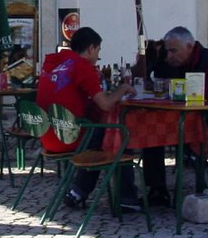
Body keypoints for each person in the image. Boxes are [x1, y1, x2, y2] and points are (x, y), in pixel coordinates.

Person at [34, 27, 139, 212]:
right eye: (98, 51)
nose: (98, 56)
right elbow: (106, 105)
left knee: (100, 135)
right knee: (117, 135)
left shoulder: (53, 63)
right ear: (91, 48)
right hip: (67, 135)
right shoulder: (82, 67)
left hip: (46, 134)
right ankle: (126, 198)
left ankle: (78, 192)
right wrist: (122, 89)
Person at [150, 26, 208, 203]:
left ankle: (184, 186)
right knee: (151, 137)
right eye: (167, 51)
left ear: (189, 46)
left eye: (173, 51)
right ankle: (157, 189)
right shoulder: (178, 64)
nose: (169, 56)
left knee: (159, 135)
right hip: (186, 118)